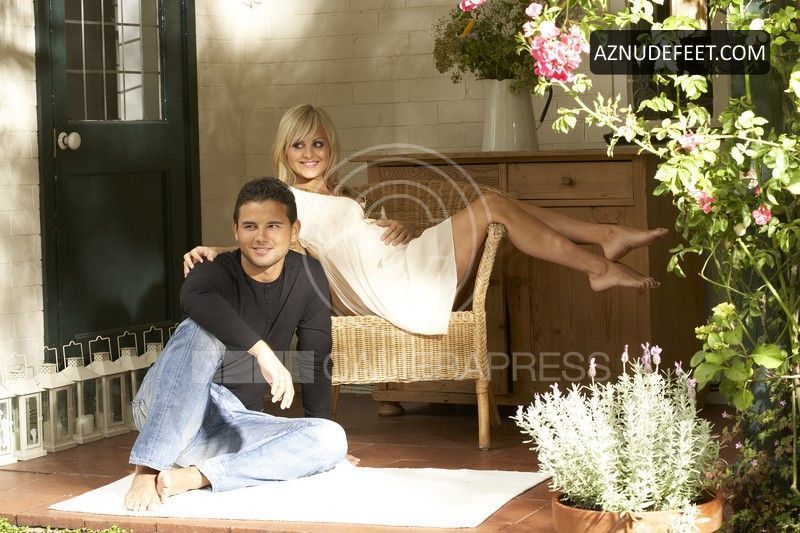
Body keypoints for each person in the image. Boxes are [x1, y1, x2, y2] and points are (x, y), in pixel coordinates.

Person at [184, 104, 667, 335]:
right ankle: (600, 258)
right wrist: (218, 251)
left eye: (318, 143)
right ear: (284, 151)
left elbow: (355, 237)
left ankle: (606, 239)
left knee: (497, 199)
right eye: (298, 145)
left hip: (401, 266)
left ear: (331, 147)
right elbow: (264, 242)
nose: (309, 153)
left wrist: (405, 229)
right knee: (493, 203)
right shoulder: (286, 199)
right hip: (391, 288)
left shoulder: (340, 193)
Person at [125, 177, 347, 511]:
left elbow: (315, 359)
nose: (261, 237)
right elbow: (194, 297)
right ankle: (148, 468)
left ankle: (200, 476)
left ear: (294, 230)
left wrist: (319, 423)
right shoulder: (214, 269)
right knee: (200, 330)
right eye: (250, 226)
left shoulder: (308, 275)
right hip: (168, 407)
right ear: (236, 231)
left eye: (273, 226)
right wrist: (262, 352)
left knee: (330, 438)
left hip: (232, 425)